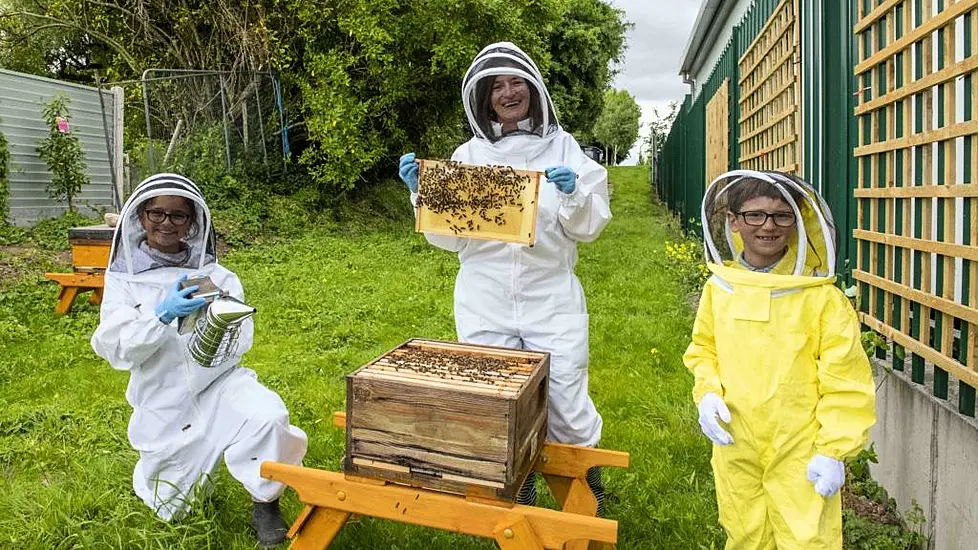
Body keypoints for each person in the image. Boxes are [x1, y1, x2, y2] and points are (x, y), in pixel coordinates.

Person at [397, 42, 612, 513]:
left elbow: (591, 227)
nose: (508, 92)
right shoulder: (468, 154)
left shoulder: (564, 147)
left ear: (534, 90)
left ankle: (588, 490)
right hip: (484, 296)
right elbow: (450, 240)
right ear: (483, 97)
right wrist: (423, 196)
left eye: (516, 82)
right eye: (497, 86)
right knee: (495, 400)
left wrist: (575, 194)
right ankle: (517, 494)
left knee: (566, 395)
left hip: (550, 294)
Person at [91, 173, 307, 548]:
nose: (166, 224)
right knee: (171, 505)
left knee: (268, 416)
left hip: (220, 384)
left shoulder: (218, 276)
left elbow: (241, 337)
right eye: (157, 214)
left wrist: (212, 324)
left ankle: (265, 503)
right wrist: (161, 315)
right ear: (140, 217)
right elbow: (115, 346)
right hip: (162, 396)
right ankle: (177, 479)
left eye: (178, 216)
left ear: (193, 223)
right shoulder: (124, 281)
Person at [684, 169, 877, 548]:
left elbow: (847, 382)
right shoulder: (720, 288)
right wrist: (706, 393)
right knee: (744, 535)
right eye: (755, 215)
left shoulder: (819, 297)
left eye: (781, 215)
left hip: (800, 449)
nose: (768, 226)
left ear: (797, 222)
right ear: (734, 221)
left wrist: (833, 450)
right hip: (736, 442)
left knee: (807, 539)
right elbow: (704, 349)